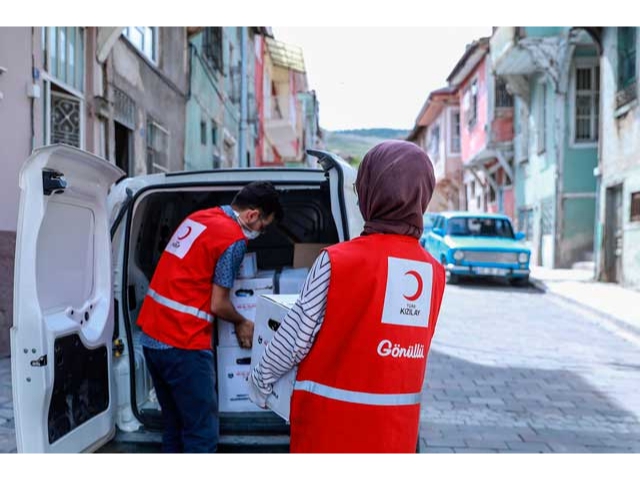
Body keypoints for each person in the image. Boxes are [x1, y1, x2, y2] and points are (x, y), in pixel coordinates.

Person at [248, 140, 446, 453]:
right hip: (395, 435)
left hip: (331, 429)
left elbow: (294, 338)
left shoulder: (338, 260)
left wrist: (259, 383)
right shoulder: (433, 272)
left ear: (371, 192)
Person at [137, 181, 283, 453]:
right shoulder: (233, 240)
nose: (261, 232)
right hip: (183, 343)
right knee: (201, 434)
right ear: (252, 215)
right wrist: (242, 322)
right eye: (264, 226)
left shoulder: (199, 217)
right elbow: (218, 303)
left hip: (152, 338)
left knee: (174, 427)